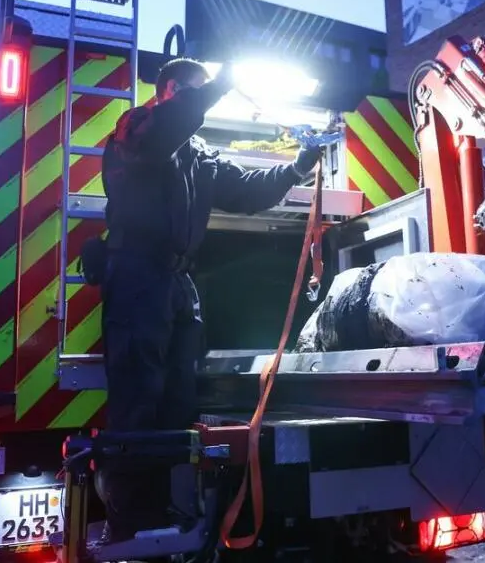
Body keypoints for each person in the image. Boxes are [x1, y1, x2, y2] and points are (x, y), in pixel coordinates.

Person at [95, 58, 321, 543]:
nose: (206, 102)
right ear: (173, 90)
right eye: (197, 93)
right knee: (139, 398)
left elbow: (246, 191)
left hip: (176, 284)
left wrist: (299, 166)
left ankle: (169, 507)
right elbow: (169, 127)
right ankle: (129, 519)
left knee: (178, 398)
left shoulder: (198, 154)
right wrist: (223, 81)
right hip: (137, 275)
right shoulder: (136, 128)